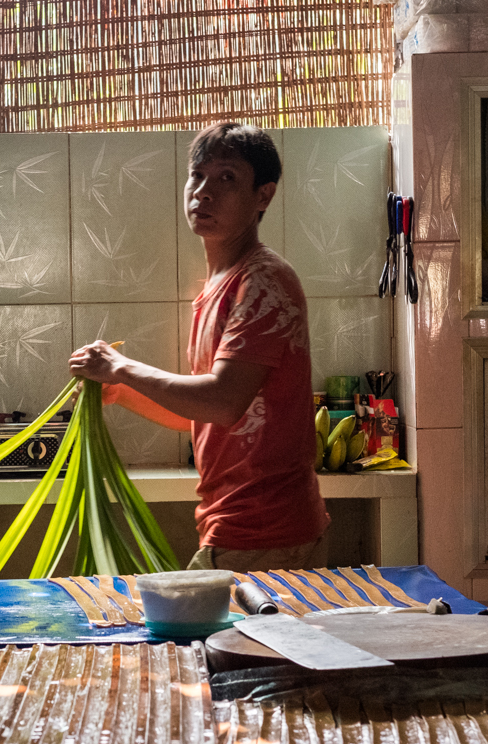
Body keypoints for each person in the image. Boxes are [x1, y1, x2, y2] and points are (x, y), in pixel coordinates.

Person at [69, 122, 329, 573]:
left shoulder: (262, 281)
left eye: (227, 178)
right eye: (198, 175)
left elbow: (224, 401)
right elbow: (205, 415)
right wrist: (121, 392)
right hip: (239, 528)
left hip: (265, 534)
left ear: (262, 197)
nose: (204, 192)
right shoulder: (218, 286)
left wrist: (122, 368)